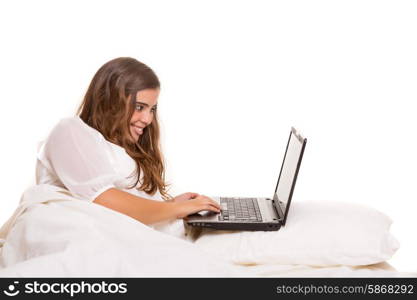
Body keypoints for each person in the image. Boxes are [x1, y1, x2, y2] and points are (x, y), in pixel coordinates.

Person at [35, 57, 221, 226]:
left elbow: (124, 209)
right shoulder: (71, 131)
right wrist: (175, 210)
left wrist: (169, 205)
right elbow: (103, 199)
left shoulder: (119, 146)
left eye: (152, 109)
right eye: (139, 107)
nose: (147, 119)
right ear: (109, 101)